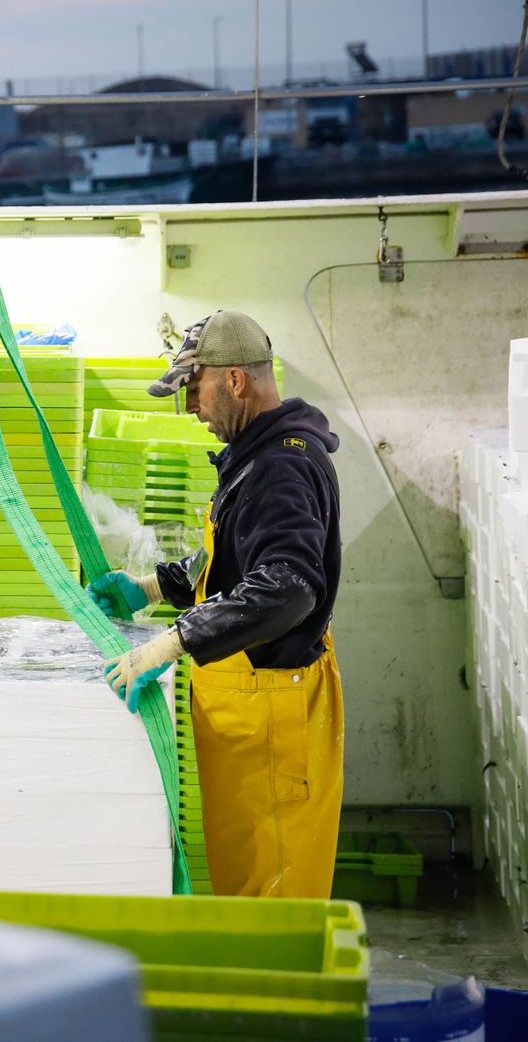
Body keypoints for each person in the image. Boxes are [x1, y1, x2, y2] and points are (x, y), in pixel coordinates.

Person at [88, 310, 343, 899]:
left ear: (234, 381)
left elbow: (286, 586)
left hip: (272, 724)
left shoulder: (280, 467)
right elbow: (234, 564)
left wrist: (173, 642)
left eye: (193, 389)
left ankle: (277, 993)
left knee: (273, 896)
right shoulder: (258, 456)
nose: (190, 408)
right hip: (253, 717)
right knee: (246, 887)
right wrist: (150, 587)